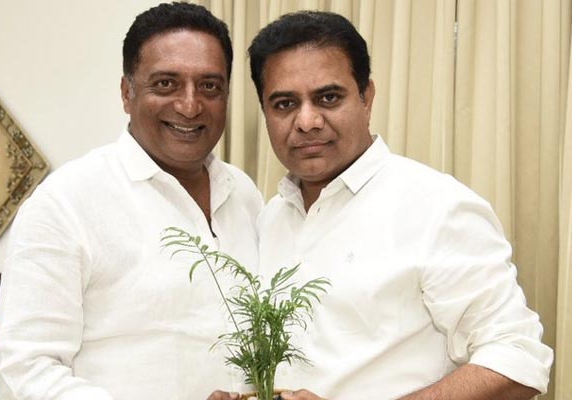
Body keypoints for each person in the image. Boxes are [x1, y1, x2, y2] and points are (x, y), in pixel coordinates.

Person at [211, 10, 553, 400]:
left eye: (328, 97)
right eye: (285, 104)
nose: (307, 121)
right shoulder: (271, 217)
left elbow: (517, 358)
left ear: (367, 98)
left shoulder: (436, 206)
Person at [0, 3, 262, 399]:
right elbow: (22, 372)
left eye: (210, 86)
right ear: (126, 92)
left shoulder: (245, 195)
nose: (190, 105)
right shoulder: (66, 203)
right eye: (166, 84)